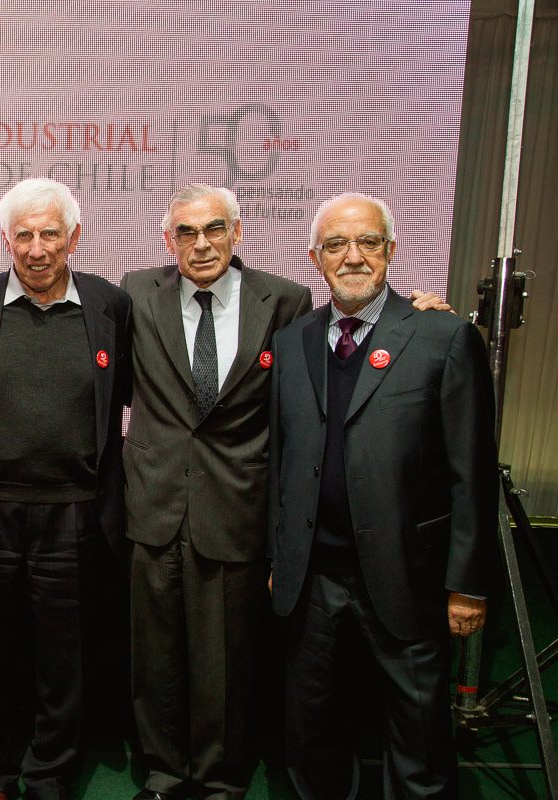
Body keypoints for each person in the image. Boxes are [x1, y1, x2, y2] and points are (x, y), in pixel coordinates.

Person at [268, 192, 497, 798]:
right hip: (312, 578)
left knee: (418, 737)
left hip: (408, 575)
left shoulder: (443, 336)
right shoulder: (292, 342)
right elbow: (282, 463)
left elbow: (471, 472)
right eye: (336, 244)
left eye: (368, 242)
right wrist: (278, 558)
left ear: (391, 249)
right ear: (316, 257)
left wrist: (468, 584)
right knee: (312, 731)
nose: (353, 256)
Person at [121, 184, 311, 800]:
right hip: (153, 503)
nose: (200, 244)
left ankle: (219, 777)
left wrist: (419, 309)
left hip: (236, 504)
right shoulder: (135, 292)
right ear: (167, 240)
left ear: (237, 232)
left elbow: (306, 394)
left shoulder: (285, 300)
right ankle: (163, 770)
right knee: (155, 655)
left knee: (225, 658)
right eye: (186, 232)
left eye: (214, 229)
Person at [0, 178, 132, 800]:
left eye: (49, 233)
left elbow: (131, 389)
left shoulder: (111, 305)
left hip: (75, 512)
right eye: (22, 235)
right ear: (5, 239)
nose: (36, 249)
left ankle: (50, 771)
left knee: (65, 658)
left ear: (74, 237)